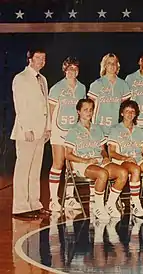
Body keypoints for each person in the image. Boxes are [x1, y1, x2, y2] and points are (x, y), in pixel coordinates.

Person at [65, 99, 129, 220]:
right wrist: (85, 161)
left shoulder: (97, 129)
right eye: (85, 110)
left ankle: (110, 204)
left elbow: (103, 149)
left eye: (91, 110)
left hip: (98, 162)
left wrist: (105, 157)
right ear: (78, 111)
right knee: (102, 174)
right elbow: (67, 155)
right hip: (81, 164)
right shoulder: (73, 131)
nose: (89, 113)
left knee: (123, 172)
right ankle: (98, 207)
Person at [11, 48, 51, 218]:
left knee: (35, 170)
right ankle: (20, 207)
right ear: (30, 59)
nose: (41, 61)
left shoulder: (42, 79)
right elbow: (19, 105)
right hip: (27, 132)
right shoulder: (20, 78)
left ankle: (34, 203)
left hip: (41, 131)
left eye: (43, 58)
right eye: (38, 58)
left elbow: (45, 105)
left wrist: (48, 127)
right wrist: (26, 128)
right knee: (23, 169)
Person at [47, 57, 86, 212]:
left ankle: (69, 197)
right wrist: (49, 129)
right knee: (58, 163)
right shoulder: (57, 88)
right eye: (69, 69)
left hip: (73, 131)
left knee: (72, 164)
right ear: (64, 70)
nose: (72, 72)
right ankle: (53, 199)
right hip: (58, 129)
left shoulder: (82, 87)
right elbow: (50, 110)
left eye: (75, 69)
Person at [88, 53, 131, 137]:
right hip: (99, 126)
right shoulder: (97, 83)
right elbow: (89, 106)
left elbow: (125, 108)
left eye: (114, 63)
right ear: (105, 66)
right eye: (109, 63)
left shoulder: (123, 84)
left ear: (117, 66)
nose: (112, 65)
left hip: (116, 126)